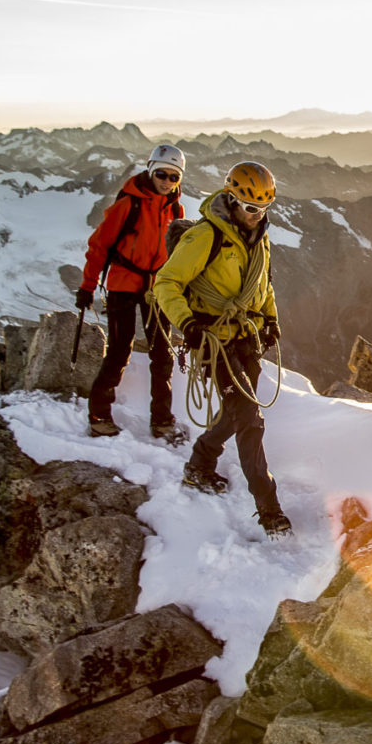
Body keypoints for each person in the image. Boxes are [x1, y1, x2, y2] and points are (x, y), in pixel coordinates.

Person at [153, 160, 289, 536]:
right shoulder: (205, 237)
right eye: (249, 207)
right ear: (231, 200)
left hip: (247, 337)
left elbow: (264, 286)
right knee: (249, 419)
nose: (255, 215)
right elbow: (165, 283)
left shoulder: (258, 237)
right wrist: (188, 324)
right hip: (213, 339)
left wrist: (271, 319)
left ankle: (199, 463)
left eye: (262, 209)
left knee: (236, 414)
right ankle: (270, 510)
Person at [77, 143, 187, 440]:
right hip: (124, 284)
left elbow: (177, 255)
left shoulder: (176, 210)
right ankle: (99, 416)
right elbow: (99, 246)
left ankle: (162, 420)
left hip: (157, 288)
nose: (166, 182)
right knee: (118, 351)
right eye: (162, 174)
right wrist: (87, 287)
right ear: (150, 170)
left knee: (162, 354)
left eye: (173, 177)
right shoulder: (128, 204)